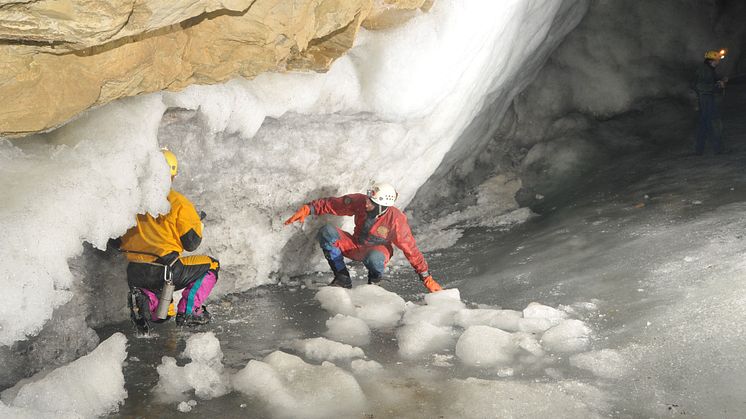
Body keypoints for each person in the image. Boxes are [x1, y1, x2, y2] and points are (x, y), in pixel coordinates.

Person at [115, 149, 219, 332]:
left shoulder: (129, 201)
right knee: (212, 265)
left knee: (164, 315)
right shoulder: (178, 203)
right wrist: (197, 224)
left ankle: (144, 298)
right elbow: (191, 243)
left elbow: (113, 241)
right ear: (172, 175)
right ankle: (189, 311)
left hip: (135, 272)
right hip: (166, 270)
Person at [284, 182, 443, 293]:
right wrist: (309, 208)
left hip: (378, 250)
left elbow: (411, 250)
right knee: (327, 232)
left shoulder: (396, 220)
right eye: (368, 199)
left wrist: (426, 277)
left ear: (382, 206)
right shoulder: (360, 202)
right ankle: (342, 278)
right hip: (356, 244)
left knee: (374, 258)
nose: (366, 203)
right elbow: (334, 204)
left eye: (371, 202)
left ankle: (374, 282)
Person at [694, 49, 728, 155]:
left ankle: (700, 150)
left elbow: (710, 81)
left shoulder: (708, 69)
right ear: (710, 61)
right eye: (716, 60)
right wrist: (717, 85)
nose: (718, 62)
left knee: (705, 124)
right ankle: (718, 149)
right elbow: (700, 85)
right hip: (706, 99)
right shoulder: (704, 70)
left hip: (707, 99)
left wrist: (721, 80)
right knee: (712, 123)